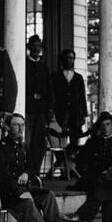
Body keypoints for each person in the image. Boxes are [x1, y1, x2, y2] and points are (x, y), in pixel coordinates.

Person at [0, 113, 71, 222]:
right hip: (9, 194)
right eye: (16, 125)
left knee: (48, 196)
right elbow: (2, 176)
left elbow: (31, 166)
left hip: (25, 190)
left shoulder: (23, 146)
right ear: (7, 127)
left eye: (22, 125)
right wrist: (20, 192)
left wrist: (26, 173)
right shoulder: (0, 147)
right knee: (28, 203)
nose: (20, 128)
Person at [50, 48, 89, 184]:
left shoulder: (78, 77)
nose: (69, 60)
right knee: (58, 140)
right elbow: (52, 95)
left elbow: (82, 96)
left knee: (74, 142)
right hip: (60, 113)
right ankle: (64, 167)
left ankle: (68, 167)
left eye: (71, 58)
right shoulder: (55, 77)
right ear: (62, 60)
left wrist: (84, 114)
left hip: (75, 114)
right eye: (66, 58)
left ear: (74, 60)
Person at [72, 110, 112, 192]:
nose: (105, 127)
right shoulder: (91, 143)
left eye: (108, 124)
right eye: (102, 125)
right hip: (94, 177)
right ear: (100, 127)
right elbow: (82, 160)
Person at [23, 34, 52, 178]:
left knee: (39, 145)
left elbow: (50, 88)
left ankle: (35, 174)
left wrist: (49, 109)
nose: (36, 48)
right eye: (33, 45)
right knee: (26, 143)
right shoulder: (24, 65)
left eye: (39, 46)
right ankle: (25, 173)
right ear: (29, 47)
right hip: (28, 110)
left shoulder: (44, 66)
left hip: (41, 111)